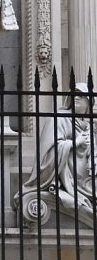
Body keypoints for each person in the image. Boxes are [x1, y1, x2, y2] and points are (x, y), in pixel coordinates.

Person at [19, 82, 97, 214]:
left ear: (89, 102)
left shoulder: (90, 128)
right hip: (69, 178)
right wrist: (75, 142)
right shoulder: (59, 118)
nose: (76, 97)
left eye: (81, 95)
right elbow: (50, 152)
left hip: (87, 177)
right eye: (74, 94)